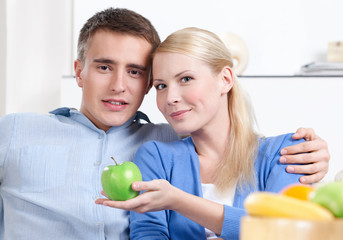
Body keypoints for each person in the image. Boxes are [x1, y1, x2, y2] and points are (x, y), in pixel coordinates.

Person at [0, 7, 329, 240]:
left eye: (134, 71)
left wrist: (315, 152)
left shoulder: (164, 143)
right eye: (103, 67)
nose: (119, 85)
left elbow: (286, 227)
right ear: (79, 72)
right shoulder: (15, 130)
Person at [95, 27, 329, 240]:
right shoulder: (156, 157)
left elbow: (284, 232)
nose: (170, 98)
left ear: (225, 79)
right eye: (161, 86)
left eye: (186, 79)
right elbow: (147, 235)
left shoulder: (286, 152)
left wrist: (178, 200)